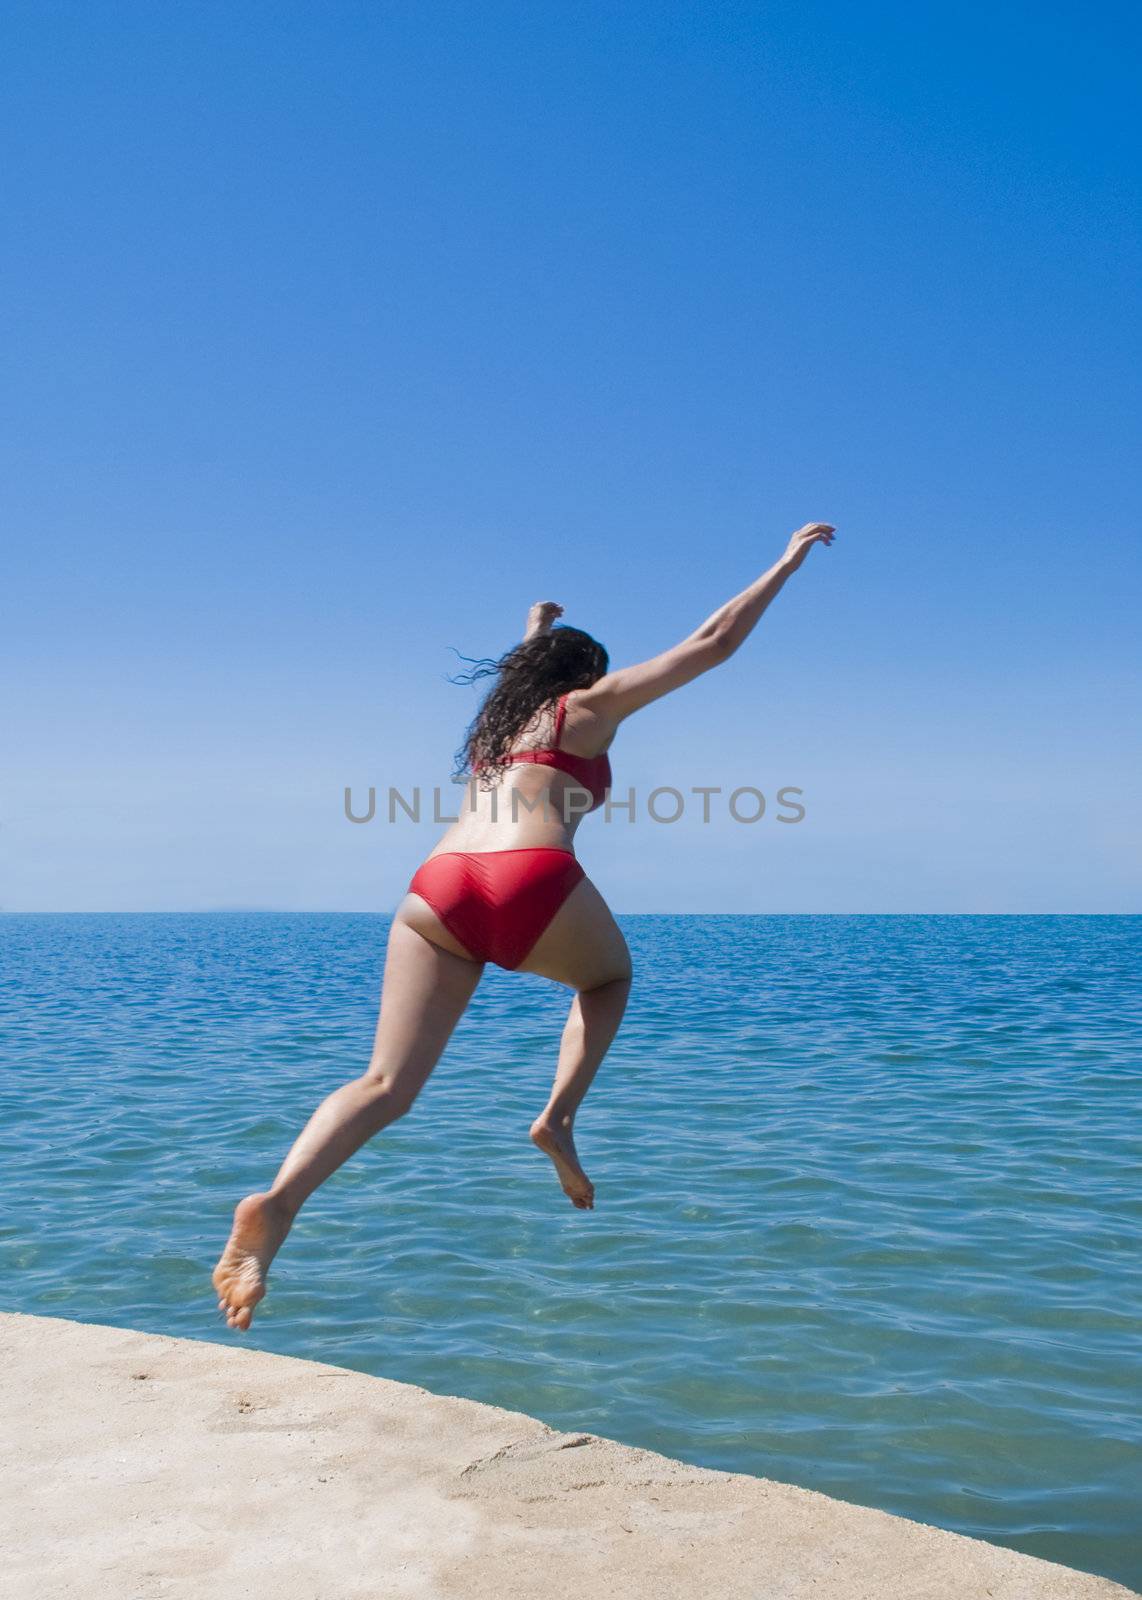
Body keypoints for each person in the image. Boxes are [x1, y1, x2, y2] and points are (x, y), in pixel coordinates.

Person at [213, 521, 836, 1329]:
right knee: (609, 980)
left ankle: (278, 1207)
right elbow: (712, 642)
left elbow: (520, 671)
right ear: (585, 675)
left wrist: (534, 629)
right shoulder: (587, 705)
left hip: (434, 892)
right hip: (525, 876)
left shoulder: (498, 730)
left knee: (385, 1085)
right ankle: (559, 1119)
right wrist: (783, 563)